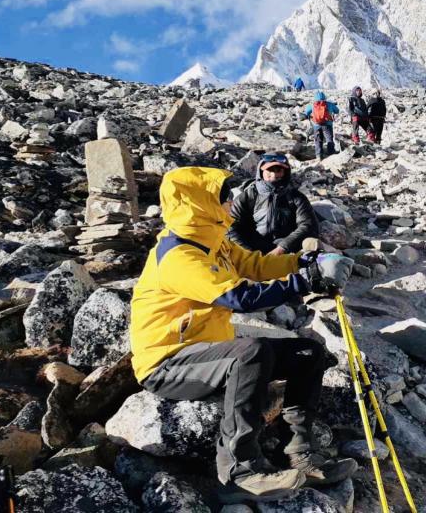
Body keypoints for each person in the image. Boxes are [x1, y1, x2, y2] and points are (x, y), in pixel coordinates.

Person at [130, 167, 358, 503]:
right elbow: (240, 298)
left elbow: (255, 265)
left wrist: (307, 262)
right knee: (250, 352)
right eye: (222, 196)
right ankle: (239, 473)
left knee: (308, 352)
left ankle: (300, 452)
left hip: (209, 352)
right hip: (167, 363)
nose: (230, 201)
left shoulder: (213, 242)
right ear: (200, 204)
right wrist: (306, 282)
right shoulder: (178, 255)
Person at [228, 153, 319, 255]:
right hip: (251, 250)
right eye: (270, 170)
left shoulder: (296, 197)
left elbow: (308, 226)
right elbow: (230, 226)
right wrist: (248, 253)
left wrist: (282, 247)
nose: (274, 174)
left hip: (287, 252)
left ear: (285, 172)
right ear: (261, 171)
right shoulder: (247, 196)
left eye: (279, 170)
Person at [300, 91, 339, 160]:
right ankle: (331, 153)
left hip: (316, 125)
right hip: (327, 125)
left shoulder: (312, 105)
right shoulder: (329, 104)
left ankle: (319, 155)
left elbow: (306, 113)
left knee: (318, 140)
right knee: (329, 139)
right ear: (324, 97)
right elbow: (337, 111)